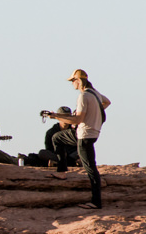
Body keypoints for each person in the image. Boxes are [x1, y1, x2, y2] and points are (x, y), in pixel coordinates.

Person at [42, 70, 111, 209]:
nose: (72, 84)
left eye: (73, 81)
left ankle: (96, 202)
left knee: (90, 168)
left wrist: (55, 117)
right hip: (91, 133)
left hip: (84, 135)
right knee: (57, 138)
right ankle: (61, 172)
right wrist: (94, 112)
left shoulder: (84, 96)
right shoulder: (95, 93)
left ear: (78, 81)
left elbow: (77, 119)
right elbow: (107, 102)